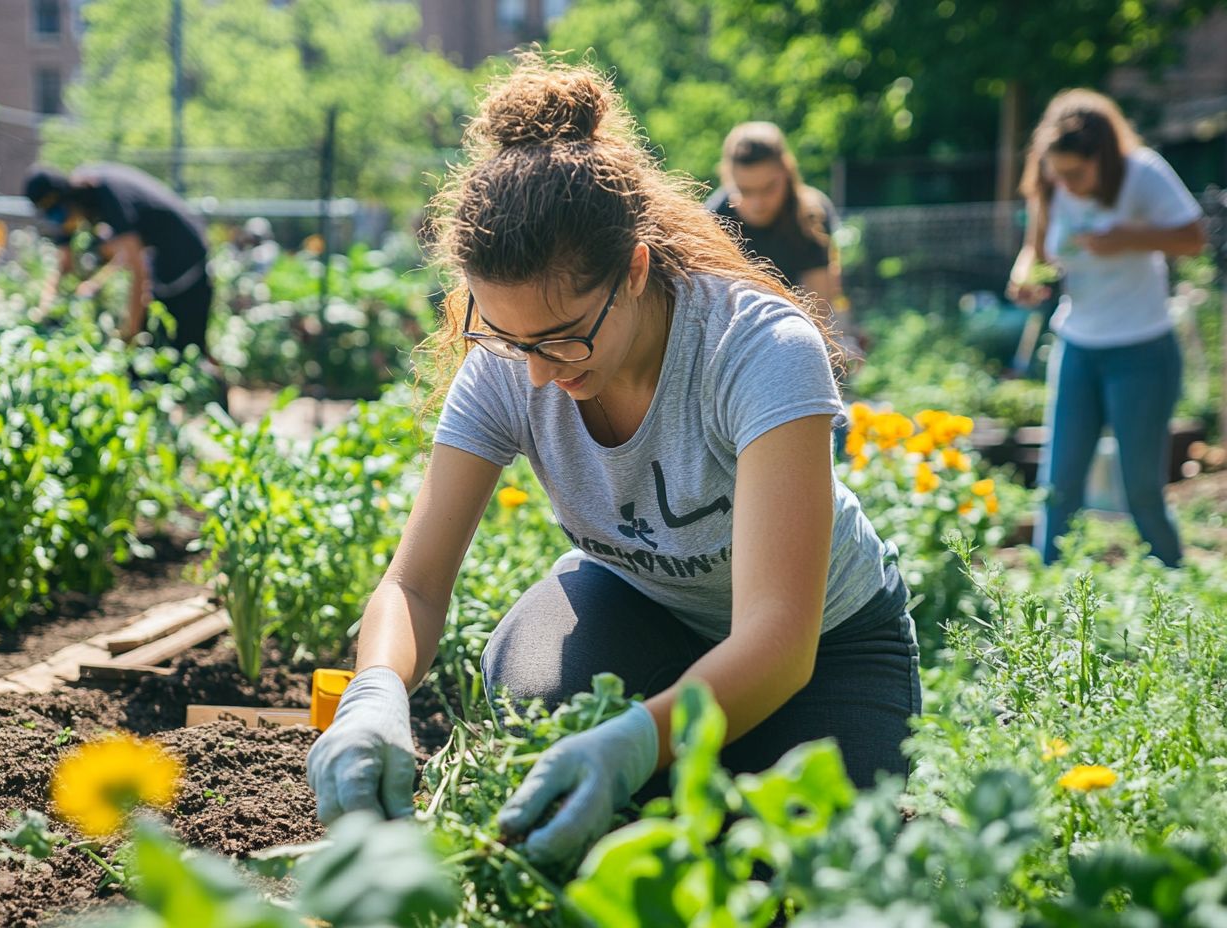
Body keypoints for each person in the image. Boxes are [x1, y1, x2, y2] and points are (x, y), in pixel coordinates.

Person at [305, 58, 920, 866]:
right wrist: (375, 689)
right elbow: (415, 585)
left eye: (563, 335)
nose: (537, 371)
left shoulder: (758, 350)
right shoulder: (510, 362)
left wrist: (634, 744)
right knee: (537, 705)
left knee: (782, 860)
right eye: (509, 337)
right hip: (643, 610)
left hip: (822, 652)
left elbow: (778, 639)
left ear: (634, 270)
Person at [1006, 89, 1206, 567]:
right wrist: (1024, 278)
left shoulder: (1144, 173)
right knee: (1058, 487)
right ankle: (1045, 600)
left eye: (1077, 174)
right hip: (1078, 347)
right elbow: (1035, 250)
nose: (1066, 184)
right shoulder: (1050, 180)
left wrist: (1129, 238)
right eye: (1058, 173)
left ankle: (1174, 592)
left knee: (1140, 488)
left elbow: (1195, 238)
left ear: (1105, 158)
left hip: (1142, 349)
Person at [24, 163, 213, 354]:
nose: (60, 221)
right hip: (158, 257)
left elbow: (138, 271)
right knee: (160, 344)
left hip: (184, 251)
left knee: (184, 348)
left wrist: (128, 334)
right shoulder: (75, 203)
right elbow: (62, 263)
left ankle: (214, 377)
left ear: (67, 198)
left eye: (59, 213)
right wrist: (44, 308)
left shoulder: (108, 196)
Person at [706, 121, 860, 353]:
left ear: (786, 172)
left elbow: (819, 306)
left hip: (796, 331)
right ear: (728, 178)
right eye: (745, 191)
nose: (758, 204)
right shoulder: (714, 220)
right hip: (735, 339)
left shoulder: (811, 216)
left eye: (768, 188)